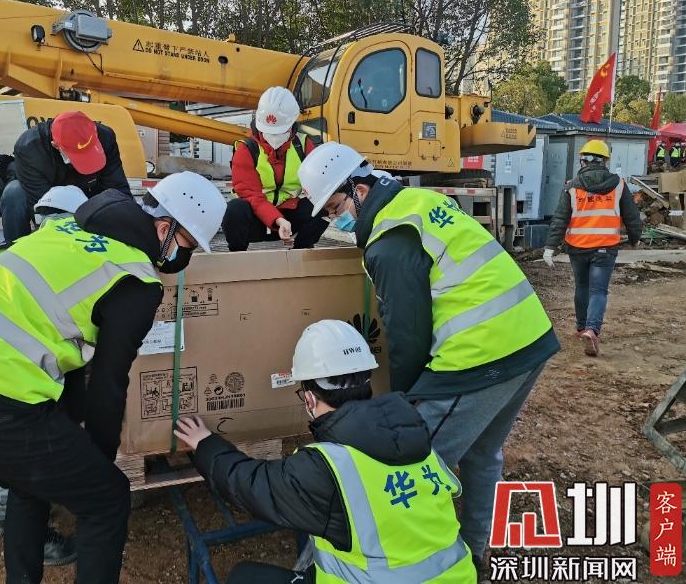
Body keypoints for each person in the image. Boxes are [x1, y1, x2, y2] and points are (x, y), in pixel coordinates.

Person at [0, 172, 226, 584]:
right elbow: (109, 385)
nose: (186, 257)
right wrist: (98, 460)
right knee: (107, 498)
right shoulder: (136, 280)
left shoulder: (70, 227)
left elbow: (63, 346)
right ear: (164, 229)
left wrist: (72, 432)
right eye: (188, 245)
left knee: (30, 482)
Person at [297, 143, 560, 565]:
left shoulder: (388, 243)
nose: (335, 220)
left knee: (408, 466)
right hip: (528, 336)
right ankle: (474, 553)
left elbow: (408, 336)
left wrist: (403, 406)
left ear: (359, 191)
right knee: (482, 454)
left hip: (481, 355)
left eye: (335, 208)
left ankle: (386, 565)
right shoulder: (418, 202)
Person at [174, 320, 476, 583]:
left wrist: (205, 444)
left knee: (244, 577)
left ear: (309, 399)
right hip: (459, 576)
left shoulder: (326, 468)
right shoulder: (414, 436)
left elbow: (250, 485)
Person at [0, 186, 90, 566]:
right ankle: (32, 536)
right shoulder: (63, 262)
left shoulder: (13, 254)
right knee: (30, 455)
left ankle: (3, 507)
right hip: (18, 379)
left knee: (7, 442)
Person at [544, 139, 642, 356]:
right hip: (605, 247)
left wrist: (550, 247)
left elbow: (560, 218)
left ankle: (581, 327)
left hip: (577, 246)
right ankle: (592, 329)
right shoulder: (618, 184)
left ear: (582, 161)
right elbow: (632, 215)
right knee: (598, 290)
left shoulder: (571, 186)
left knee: (582, 287)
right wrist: (635, 238)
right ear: (604, 161)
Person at [0, 110, 132, 242]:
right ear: (55, 145)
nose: (85, 161)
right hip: (50, 195)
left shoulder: (106, 137)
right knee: (14, 193)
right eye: (80, 158)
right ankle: (17, 246)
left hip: (89, 191)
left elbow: (117, 188)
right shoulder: (29, 148)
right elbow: (43, 208)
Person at [223, 87, 329, 251]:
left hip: (290, 217)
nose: (273, 137)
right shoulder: (246, 150)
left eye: (279, 131)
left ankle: (301, 253)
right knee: (235, 210)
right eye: (268, 131)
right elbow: (250, 195)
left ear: (292, 124)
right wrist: (277, 220)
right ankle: (238, 255)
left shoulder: (303, 146)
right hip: (256, 220)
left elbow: (321, 183)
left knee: (322, 205)